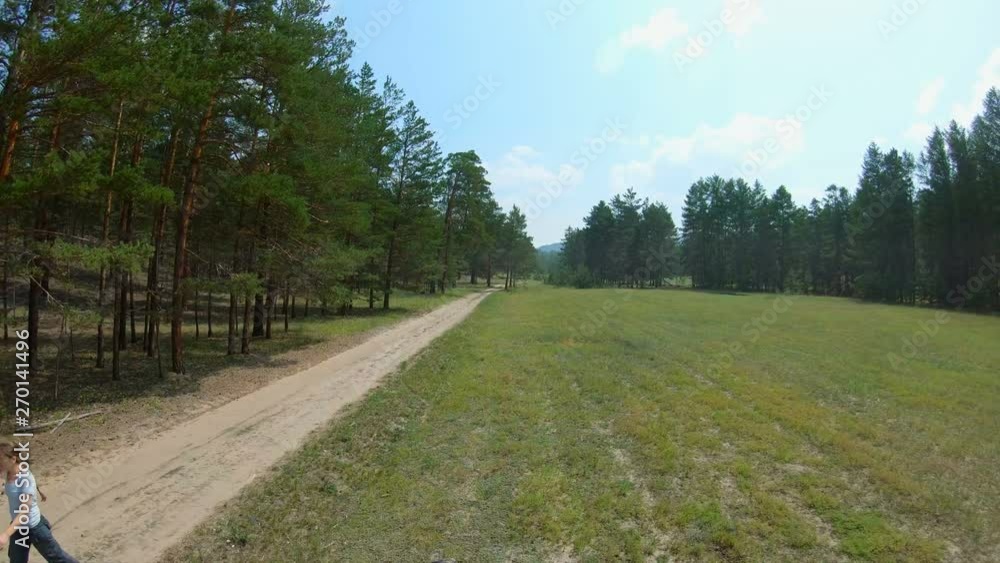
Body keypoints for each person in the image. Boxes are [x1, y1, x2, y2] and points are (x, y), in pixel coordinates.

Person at [0, 442, 79, 563]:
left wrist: (6, 534)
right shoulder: (8, 472)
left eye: (1, 460)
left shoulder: (25, 477)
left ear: (13, 459)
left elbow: (24, 513)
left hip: (34, 528)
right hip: (18, 528)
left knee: (58, 559)